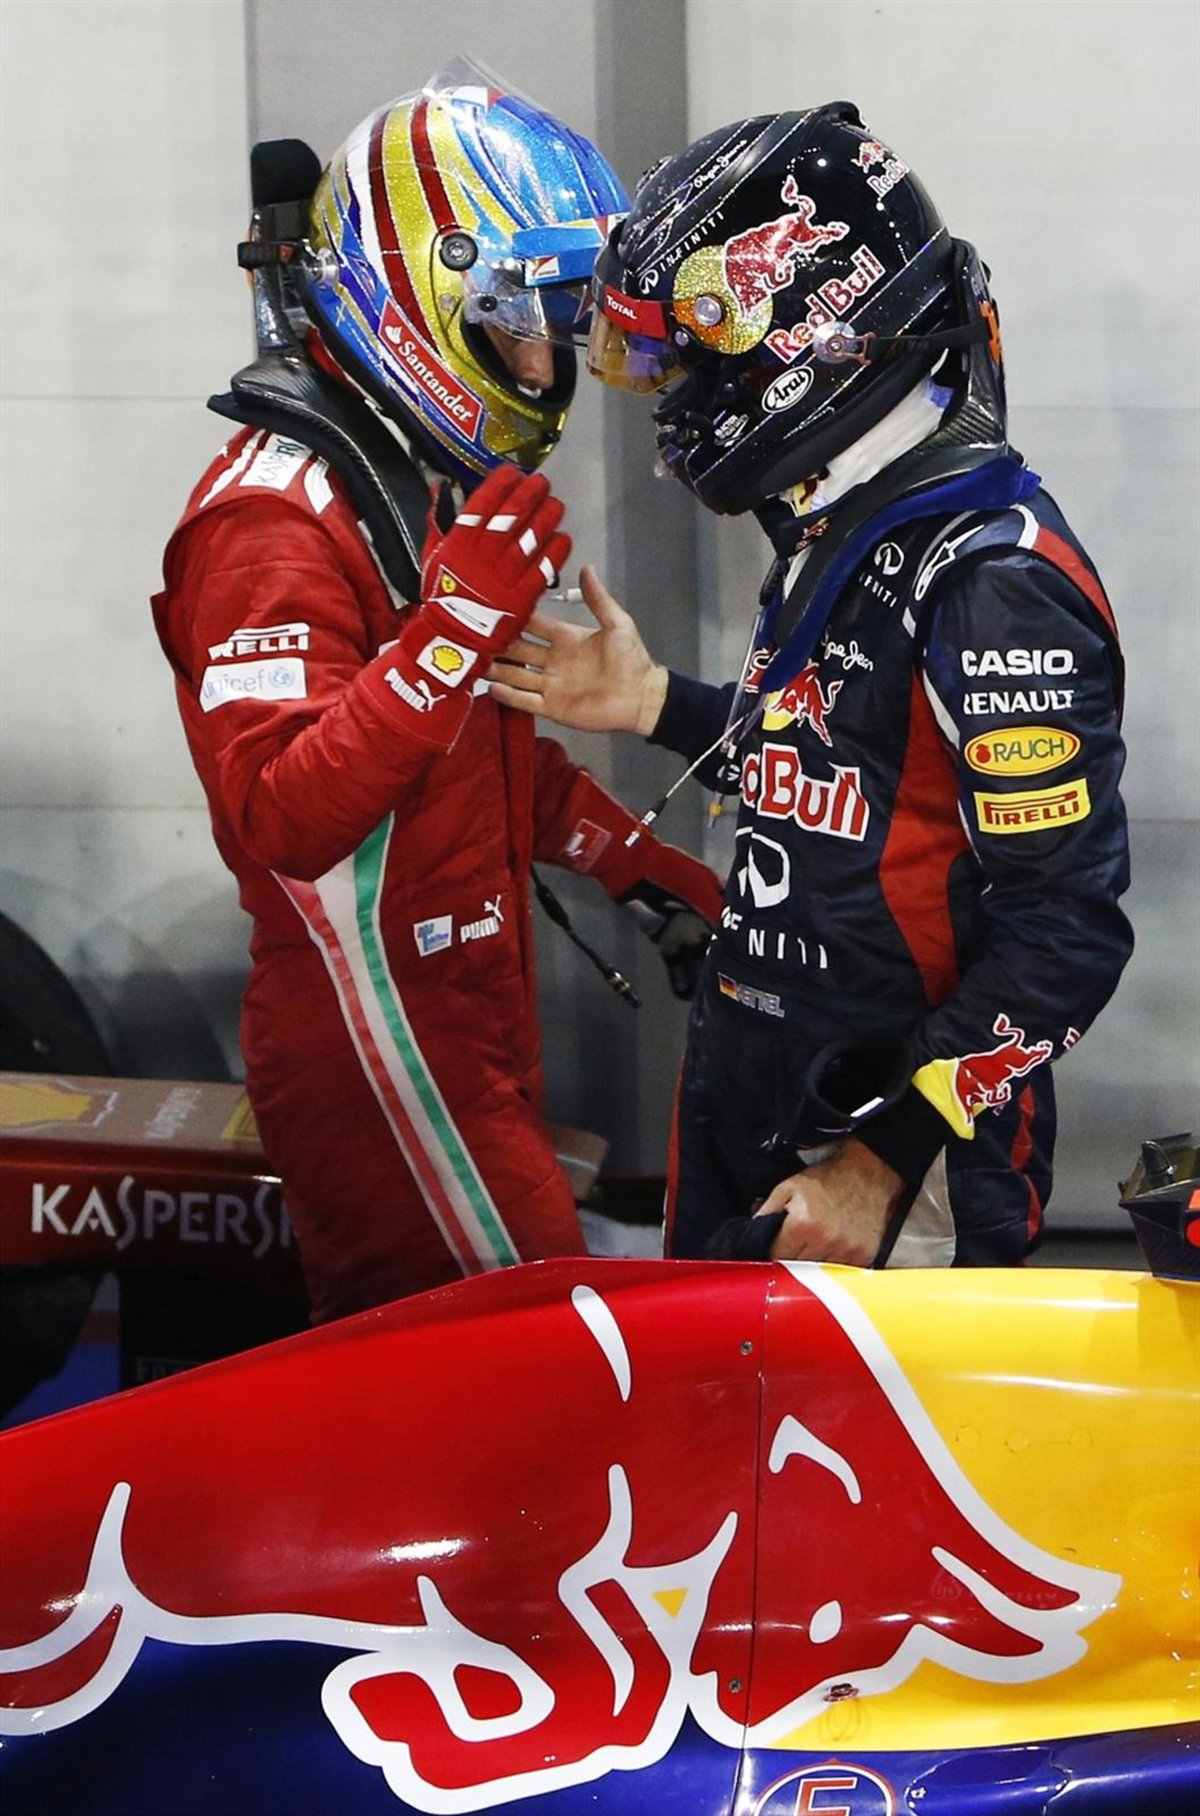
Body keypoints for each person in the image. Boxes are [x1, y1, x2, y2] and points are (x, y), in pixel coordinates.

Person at [490, 102, 1132, 1269]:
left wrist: (879, 1163)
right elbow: (849, 770)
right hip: (759, 1098)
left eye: (681, 360)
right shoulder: (842, 512)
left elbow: (1068, 935)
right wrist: (655, 704)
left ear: (799, 331)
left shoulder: (992, 578)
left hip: (891, 1165)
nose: (668, 397)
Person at [152, 63, 723, 1323]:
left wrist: (638, 868)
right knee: (523, 1367)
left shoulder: (409, 472)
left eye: (556, 323)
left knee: (488, 1387)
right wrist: (454, 624)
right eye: (520, 321)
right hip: (375, 1036)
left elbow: (479, 752)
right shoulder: (267, 516)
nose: (543, 357)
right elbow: (282, 811)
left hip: (466, 1007)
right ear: (423, 292)